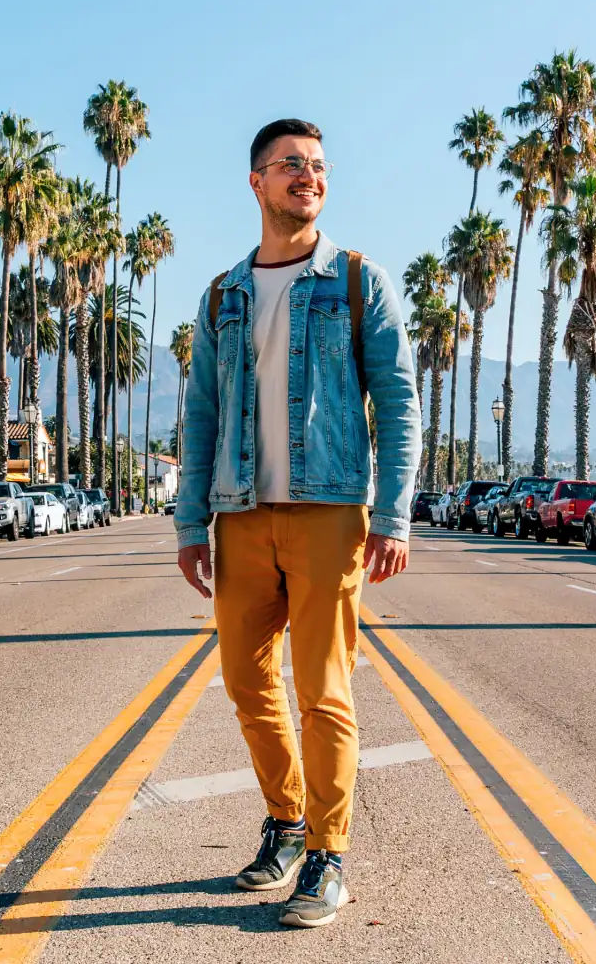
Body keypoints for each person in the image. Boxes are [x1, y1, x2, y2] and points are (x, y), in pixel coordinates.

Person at [176, 118, 420, 929]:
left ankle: (328, 853)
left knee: (322, 689)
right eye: (290, 165)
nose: (307, 176)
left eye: (317, 166)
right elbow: (201, 412)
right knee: (248, 685)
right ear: (256, 182)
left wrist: (393, 515)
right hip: (241, 514)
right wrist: (188, 522)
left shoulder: (358, 282)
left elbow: (398, 403)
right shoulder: (225, 294)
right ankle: (284, 820)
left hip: (328, 511)